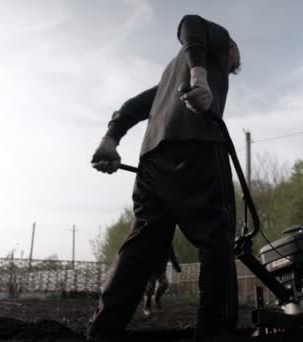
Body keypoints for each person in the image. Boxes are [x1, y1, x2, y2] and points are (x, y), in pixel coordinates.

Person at [87, 14, 241, 341]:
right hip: (197, 151)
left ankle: (101, 333)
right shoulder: (214, 45)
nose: (231, 68)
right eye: (234, 61)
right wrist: (201, 77)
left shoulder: (167, 81)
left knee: (139, 250)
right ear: (228, 49)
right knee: (217, 241)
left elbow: (131, 107)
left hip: (151, 165)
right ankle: (215, 334)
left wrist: (109, 141)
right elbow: (190, 22)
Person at [142, 246, 181, 316]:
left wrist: (176, 267)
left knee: (165, 284)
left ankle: (157, 299)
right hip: (151, 270)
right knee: (151, 288)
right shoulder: (152, 243)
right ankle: (147, 306)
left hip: (161, 271)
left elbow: (172, 257)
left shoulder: (169, 246)